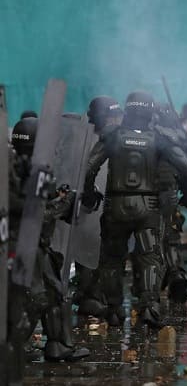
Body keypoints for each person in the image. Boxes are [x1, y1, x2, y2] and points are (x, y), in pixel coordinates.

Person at [82, 91, 187, 328]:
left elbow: (89, 167)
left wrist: (89, 193)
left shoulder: (112, 136)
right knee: (150, 258)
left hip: (115, 205)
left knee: (112, 259)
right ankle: (150, 307)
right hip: (148, 207)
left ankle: (114, 309)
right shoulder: (159, 138)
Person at [7, 117, 90, 370]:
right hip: (21, 248)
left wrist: (61, 198)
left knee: (55, 293)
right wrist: (62, 203)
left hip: (34, 248)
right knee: (37, 300)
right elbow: (34, 212)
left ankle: (59, 345)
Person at [75, 96, 122, 316]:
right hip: (92, 206)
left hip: (104, 206)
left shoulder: (108, 140)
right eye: (113, 116)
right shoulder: (89, 141)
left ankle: (94, 295)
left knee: (101, 252)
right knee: (92, 250)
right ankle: (89, 295)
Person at [153, 102, 187, 303]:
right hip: (171, 191)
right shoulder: (181, 137)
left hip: (148, 191)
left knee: (151, 238)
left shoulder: (154, 134)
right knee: (170, 235)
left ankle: (155, 283)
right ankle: (175, 273)